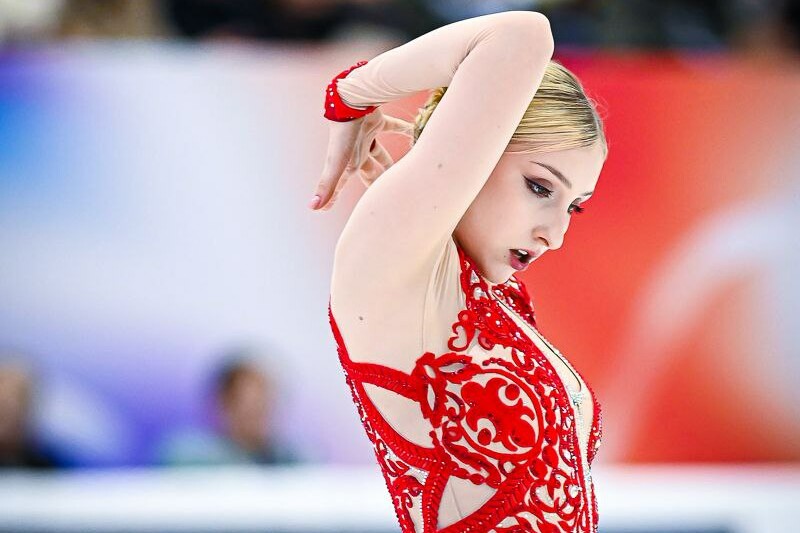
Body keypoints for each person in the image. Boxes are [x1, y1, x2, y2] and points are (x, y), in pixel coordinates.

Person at [311, 10, 607, 532]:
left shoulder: (494, 300)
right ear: (476, 149)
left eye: (574, 206)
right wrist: (352, 95)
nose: (555, 234)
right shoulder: (393, 265)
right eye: (540, 187)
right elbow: (521, 34)